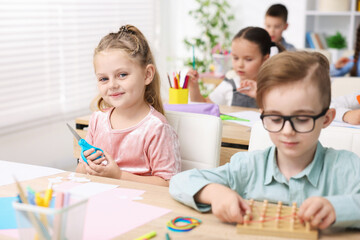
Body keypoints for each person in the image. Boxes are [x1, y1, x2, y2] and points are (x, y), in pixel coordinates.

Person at [170, 51, 360, 229]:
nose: (287, 131)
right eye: (275, 119)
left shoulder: (347, 168)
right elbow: (179, 181)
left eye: (302, 119)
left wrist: (339, 208)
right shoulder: (247, 166)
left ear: (326, 119)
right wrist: (216, 193)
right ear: (262, 115)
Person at [76, 25, 181, 186]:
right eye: (104, 79)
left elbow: (168, 184)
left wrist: (117, 175)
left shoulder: (156, 128)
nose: (112, 85)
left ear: (147, 75)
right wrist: (87, 167)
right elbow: (80, 172)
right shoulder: (97, 120)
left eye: (122, 75)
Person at [187, 27, 284, 108]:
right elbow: (203, 106)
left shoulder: (274, 86)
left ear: (265, 59)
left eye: (248, 59)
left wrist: (260, 95)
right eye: (235, 58)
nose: (240, 65)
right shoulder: (230, 83)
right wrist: (194, 86)